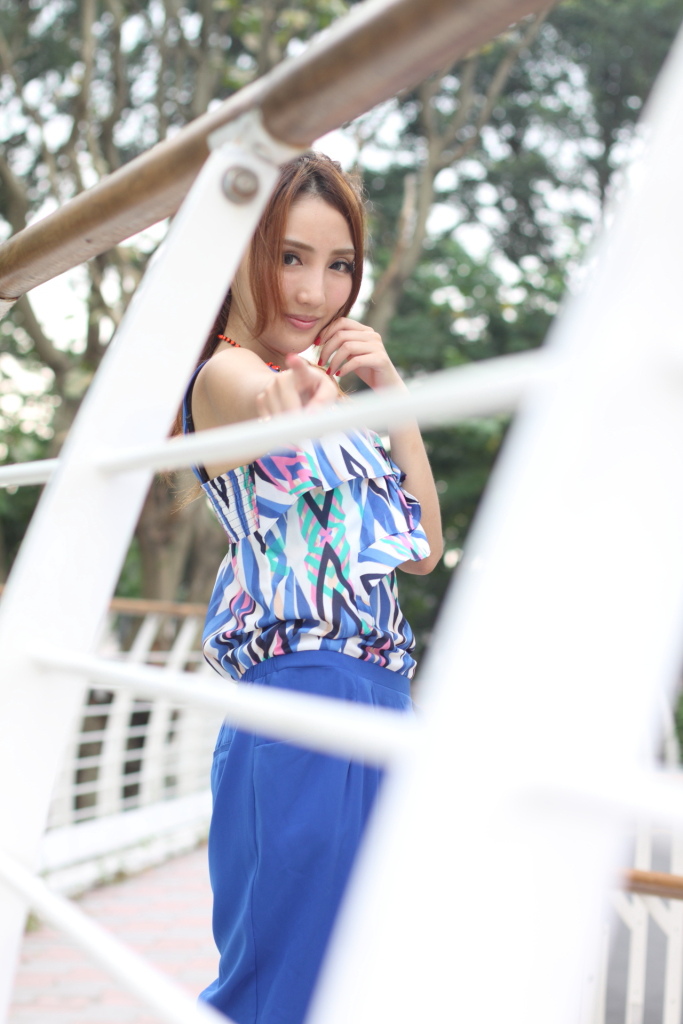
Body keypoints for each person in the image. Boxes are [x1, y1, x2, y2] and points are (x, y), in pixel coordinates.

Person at [181, 152, 443, 1024]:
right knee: (280, 986)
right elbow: (262, 402)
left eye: (337, 266)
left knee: (371, 982)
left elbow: (423, 551)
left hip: (385, 699)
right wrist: (297, 392)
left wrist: (389, 391)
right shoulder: (224, 374)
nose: (313, 291)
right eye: (288, 256)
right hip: (302, 697)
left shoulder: (342, 407)